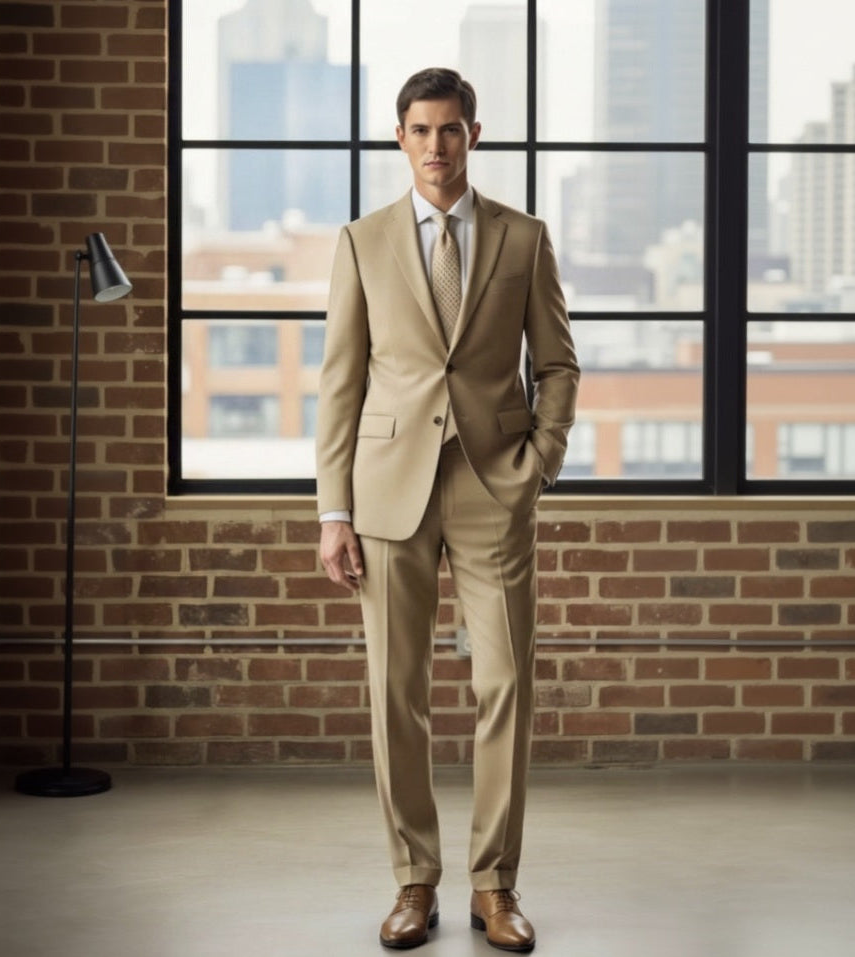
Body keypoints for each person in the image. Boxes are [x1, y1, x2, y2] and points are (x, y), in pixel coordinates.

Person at [316, 67, 580, 952]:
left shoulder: (523, 237)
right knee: (397, 692)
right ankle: (413, 881)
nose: (437, 146)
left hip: (493, 484)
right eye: (421, 130)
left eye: (452, 130)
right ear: (400, 138)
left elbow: (558, 362)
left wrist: (540, 460)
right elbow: (340, 384)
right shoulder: (362, 241)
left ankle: (494, 885)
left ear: (475, 134)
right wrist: (332, 509)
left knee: (505, 683)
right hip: (387, 489)